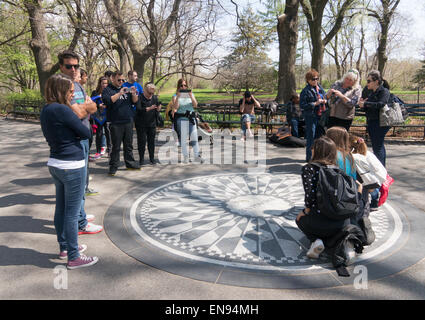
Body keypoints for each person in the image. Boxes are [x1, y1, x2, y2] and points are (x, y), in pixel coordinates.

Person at [40, 74, 99, 269]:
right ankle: (74, 257)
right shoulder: (63, 110)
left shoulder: (46, 109)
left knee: (61, 208)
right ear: (60, 90)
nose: (73, 93)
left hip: (55, 163)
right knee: (72, 214)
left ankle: (65, 247)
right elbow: (86, 133)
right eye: (70, 90)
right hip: (72, 164)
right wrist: (87, 113)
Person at [58, 50, 103, 235]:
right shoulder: (60, 86)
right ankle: (80, 223)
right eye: (69, 66)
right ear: (61, 66)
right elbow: (77, 113)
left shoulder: (77, 85)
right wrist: (86, 108)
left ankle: (80, 214)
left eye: (76, 66)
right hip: (72, 140)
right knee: (76, 184)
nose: (73, 69)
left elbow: (92, 107)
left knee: (83, 180)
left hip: (84, 136)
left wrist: (85, 107)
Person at [295, 137, 351, 259]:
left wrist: (305, 211)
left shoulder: (309, 169)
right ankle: (335, 241)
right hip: (342, 222)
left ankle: (316, 240)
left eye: (313, 147)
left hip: (320, 222)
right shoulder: (337, 169)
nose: (311, 149)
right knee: (328, 224)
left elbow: (310, 197)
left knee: (299, 219)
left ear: (317, 150)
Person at [102, 71, 140, 175]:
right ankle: (114, 166)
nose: (121, 82)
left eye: (123, 80)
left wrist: (133, 93)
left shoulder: (126, 88)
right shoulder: (108, 89)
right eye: (119, 80)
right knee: (116, 146)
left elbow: (135, 101)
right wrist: (119, 93)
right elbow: (108, 101)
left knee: (128, 145)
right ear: (112, 78)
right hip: (115, 122)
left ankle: (130, 163)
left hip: (128, 121)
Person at [359, 70, 391, 168]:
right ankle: (381, 169)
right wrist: (362, 105)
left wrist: (366, 103)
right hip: (372, 122)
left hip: (380, 123)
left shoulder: (384, 91)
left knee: (378, 147)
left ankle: (380, 170)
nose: (367, 83)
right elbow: (369, 107)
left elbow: (381, 104)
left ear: (376, 81)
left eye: (369, 81)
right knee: (378, 146)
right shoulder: (372, 93)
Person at [172, 79, 204, 164]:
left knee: (194, 137)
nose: (183, 87)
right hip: (181, 118)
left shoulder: (191, 94)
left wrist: (191, 96)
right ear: (178, 87)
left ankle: (197, 156)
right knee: (183, 139)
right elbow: (175, 107)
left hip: (191, 118)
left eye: (185, 85)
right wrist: (178, 97)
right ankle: (186, 157)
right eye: (181, 85)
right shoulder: (175, 96)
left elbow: (195, 105)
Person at [300, 69, 327, 162]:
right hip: (311, 116)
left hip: (320, 116)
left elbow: (325, 96)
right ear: (308, 80)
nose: (315, 81)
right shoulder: (305, 91)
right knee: (311, 137)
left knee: (320, 137)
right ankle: (309, 158)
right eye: (313, 79)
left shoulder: (320, 88)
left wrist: (325, 101)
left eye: (317, 79)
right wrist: (314, 103)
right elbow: (302, 105)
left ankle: (318, 157)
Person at [135, 82, 162, 165]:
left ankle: (152, 159)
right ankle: (141, 159)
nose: (151, 94)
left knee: (151, 142)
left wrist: (158, 109)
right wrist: (149, 108)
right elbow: (138, 110)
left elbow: (157, 109)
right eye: (150, 92)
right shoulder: (139, 97)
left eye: (153, 92)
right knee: (142, 142)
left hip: (152, 123)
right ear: (145, 90)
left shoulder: (154, 98)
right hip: (141, 124)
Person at [91, 77, 110, 160]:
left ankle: (110, 150)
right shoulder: (95, 93)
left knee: (108, 133)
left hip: (107, 115)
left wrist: (106, 105)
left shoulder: (109, 92)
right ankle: (98, 151)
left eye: (106, 83)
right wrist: (98, 105)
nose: (104, 85)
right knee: (99, 134)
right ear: (100, 83)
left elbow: (112, 101)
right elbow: (91, 103)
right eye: (103, 83)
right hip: (98, 116)